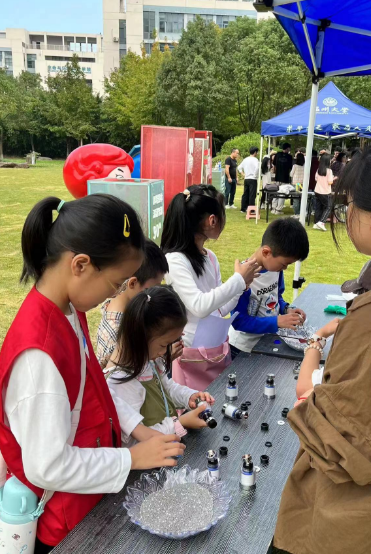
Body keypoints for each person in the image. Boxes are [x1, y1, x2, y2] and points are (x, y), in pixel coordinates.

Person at [0, 194, 185, 553]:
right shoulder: (39, 355)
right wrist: (131, 458)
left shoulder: (68, 309)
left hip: (87, 501)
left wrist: (135, 436)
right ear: (81, 265)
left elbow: (94, 394)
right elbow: (47, 466)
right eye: (116, 283)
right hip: (63, 525)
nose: (117, 293)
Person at [273, 135, 371, 554]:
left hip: (361, 524)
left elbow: (346, 448)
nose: (346, 213)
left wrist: (308, 408)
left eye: (350, 203)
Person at [161, 184, 260, 389]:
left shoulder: (210, 257)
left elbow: (220, 308)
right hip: (191, 355)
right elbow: (199, 306)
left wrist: (241, 287)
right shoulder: (175, 260)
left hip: (215, 351)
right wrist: (238, 280)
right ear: (212, 220)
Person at [106, 286, 216, 444]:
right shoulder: (122, 383)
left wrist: (189, 397)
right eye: (164, 345)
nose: (166, 351)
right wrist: (180, 423)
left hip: (168, 447)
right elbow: (136, 439)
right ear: (140, 337)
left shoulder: (149, 361)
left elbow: (167, 389)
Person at [229, 218, 309, 356]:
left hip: (265, 343)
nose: (285, 268)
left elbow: (276, 297)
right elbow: (238, 321)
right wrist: (276, 321)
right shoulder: (243, 277)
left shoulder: (275, 269)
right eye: (284, 264)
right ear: (266, 252)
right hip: (242, 348)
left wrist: (286, 309)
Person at [97, 238, 176, 370]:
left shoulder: (122, 309)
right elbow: (119, 375)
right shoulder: (119, 331)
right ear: (133, 283)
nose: (157, 291)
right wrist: (163, 358)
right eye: (154, 287)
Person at [313, 153, 334, 231]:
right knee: (328, 207)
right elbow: (330, 182)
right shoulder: (329, 171)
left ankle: (316, 223)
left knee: (318, 207)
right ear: (328, 161)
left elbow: (316, 179)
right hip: (325, 192)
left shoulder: (318, 170)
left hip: (317, 191)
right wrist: (334, 178)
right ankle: (321, 222)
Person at [272, 143, 293, 215]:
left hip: (277, 177)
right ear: (288, 148)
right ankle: (278, 209)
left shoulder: (277, 154)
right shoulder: (289, 157)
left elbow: (274, 164)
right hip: (285, 178)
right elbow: (290, 167)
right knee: (282, 193)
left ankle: (273, 208)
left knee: (276, 192)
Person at [238, 146, 260, 213]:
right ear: (255, 152)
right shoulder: (255, 160)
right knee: (252, 194)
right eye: (257, 152)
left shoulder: (245, 159)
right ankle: (251, 209)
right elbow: (257, 168)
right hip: (252, 179)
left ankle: (243, 208)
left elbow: (239, 167)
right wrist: (255, 175)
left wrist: (243, 174)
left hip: (246, 178)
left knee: (245, 193)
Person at [290, 152, 305, 217]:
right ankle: (301, 212)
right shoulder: (304, 167)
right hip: (302, 184)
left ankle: (297, 213)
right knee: (301, 198)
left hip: (296, 183)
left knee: (295, 199)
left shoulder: (295, 166)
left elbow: (291, 174)